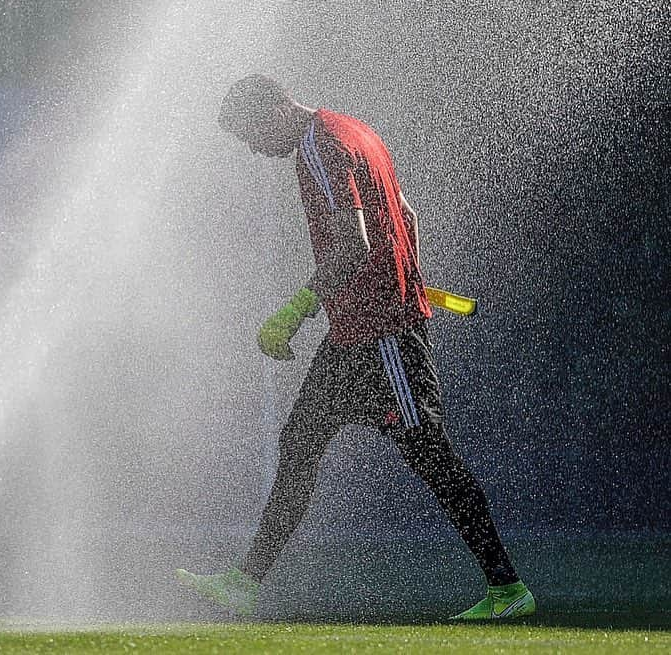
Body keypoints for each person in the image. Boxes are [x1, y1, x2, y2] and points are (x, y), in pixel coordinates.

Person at [175, 74, 535, 621]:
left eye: (251, 135)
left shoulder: (318, 148)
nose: (253, 150)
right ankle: (244, 582)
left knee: (431, 456)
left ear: (275, 108)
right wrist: (407, 275)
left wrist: (295, 311)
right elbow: (407, 216)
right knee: (299, 443)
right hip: (355, 335)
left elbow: (352, 244)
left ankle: (508, 589)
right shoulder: (354, 130)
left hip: (383, 336)